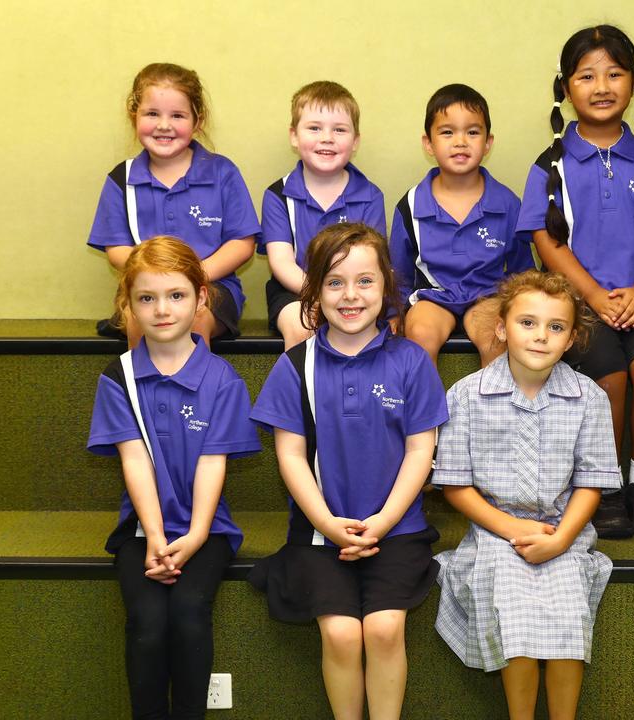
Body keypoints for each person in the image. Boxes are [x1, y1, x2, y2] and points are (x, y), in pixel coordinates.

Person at [248, 223, 447, 720]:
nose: (351, 295)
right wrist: (325, 524)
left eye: (365, 281)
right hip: (319, 532)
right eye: (335, 283)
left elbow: (421, 451)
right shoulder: (297, 365)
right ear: (313, 291)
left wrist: (381, 522)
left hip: (397, 529)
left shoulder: (411, 361)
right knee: (340, 632)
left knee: (382, 629)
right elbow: (290, 456)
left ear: (386, 288)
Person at [516, 25, 634, 539]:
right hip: (577, 303)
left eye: (615, 73)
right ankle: (605, 484)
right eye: (587, 75)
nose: (602, 85)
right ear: (566, 88)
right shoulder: (551, 165)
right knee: (607, 377)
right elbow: (547, 242)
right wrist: (591, 295)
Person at [433, 270, 621, 720]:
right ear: (501, 328)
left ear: (572, 338)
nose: (541, 337)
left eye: (555, 327)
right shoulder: (466, 396)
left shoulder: (589, 398)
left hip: (564, 530)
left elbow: (590, 483)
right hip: (496, 533)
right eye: (527, 323)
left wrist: (560, 539)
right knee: (514, 613)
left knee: (566, 614)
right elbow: (456, 485)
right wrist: (511, 528)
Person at [87, 236, 261, 720]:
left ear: (202, 298)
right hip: (143, 531)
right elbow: (134, 460)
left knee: (187, 617)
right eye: (147, 298)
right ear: (128, 305)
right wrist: (157, 538)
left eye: (177, 295)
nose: (162, 309)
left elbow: (212, 462)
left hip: (208, 531)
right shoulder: (118, 376)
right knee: (146, 623)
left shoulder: (223, 379)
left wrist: (197, 534)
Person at [88, 63, 259, 346]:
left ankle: (195, 391)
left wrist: (190, 279)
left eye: (177, 115)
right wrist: (158, 280)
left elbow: (242, 243)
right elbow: (116, 249)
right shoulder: (122, 179)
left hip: (211, 287)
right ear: (135, 116)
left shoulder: (222, 173)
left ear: (197, 121)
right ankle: (142, 390)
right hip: (147, 290)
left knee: (193, 317)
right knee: (137, 318)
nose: (164, 125)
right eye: (152, 113)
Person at [389, 83, 534, 366]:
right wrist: (393, 313)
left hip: (488, 297)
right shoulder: (410, 205)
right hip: (433, 298)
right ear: (428, 144)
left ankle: (489, 410)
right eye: (447, 132)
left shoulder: (507, 204)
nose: (460, 141)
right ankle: (428, 411)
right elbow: (398, 273)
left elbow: (522, 272)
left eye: (472, 132)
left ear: (488, 142)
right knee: (419, 332)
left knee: (499, 335)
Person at [261, 81, 386, 348]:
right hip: (295, 292)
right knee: (302, 323)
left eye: (339, 130)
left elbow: (375, 262)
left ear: (355, 141)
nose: (326, 138)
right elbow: (281, 263)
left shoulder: (371, 195)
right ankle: (302, 390)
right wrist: (323, 294)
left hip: (356, 292)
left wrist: (343, 293)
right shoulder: (278, 195)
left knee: (367, 327)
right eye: (314, 128)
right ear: (294, 136)